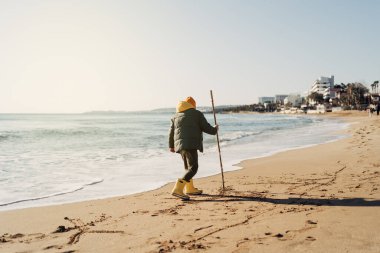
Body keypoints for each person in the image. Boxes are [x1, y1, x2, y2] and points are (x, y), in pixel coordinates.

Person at [169, 96, 218, 200]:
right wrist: (215, 129)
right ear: (193, 105)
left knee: (187, 168)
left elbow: (171, 132)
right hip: (191, 144)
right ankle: (178, 188)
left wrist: (171, 146)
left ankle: (189, 188)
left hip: (180, 146)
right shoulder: (197, 114)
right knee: (193, 168)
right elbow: (207, 129)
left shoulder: (175, 116)